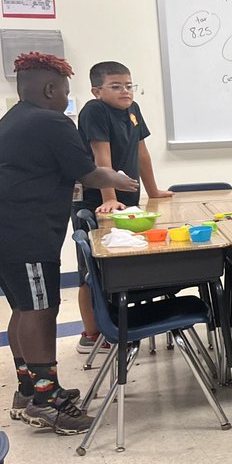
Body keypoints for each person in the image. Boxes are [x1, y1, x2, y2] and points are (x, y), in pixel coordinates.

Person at [2, 52, 138, 433]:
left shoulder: (13, 119)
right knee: (40, 311)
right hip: (27, 234)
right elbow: (88, 173)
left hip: (10, 233)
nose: (66, 97)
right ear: (50, 89)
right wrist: (120, 180)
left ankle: (28, 390)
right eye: (65, 90)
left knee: (23, 308)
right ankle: (46, 401)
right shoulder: (51, 121)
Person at [73, 60, 172, 356]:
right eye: (115, 86)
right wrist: (108, 197)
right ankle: (91, 334)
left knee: (123, 264)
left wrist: (152, 190)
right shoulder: (95, 110)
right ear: (96, 91)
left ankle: (121, 324)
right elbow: (100, 157)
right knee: (93, 271)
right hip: (96, 201)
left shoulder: (133, 109)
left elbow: (142, 153)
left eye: (129, 85)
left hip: (124, 201)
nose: (125, 91)